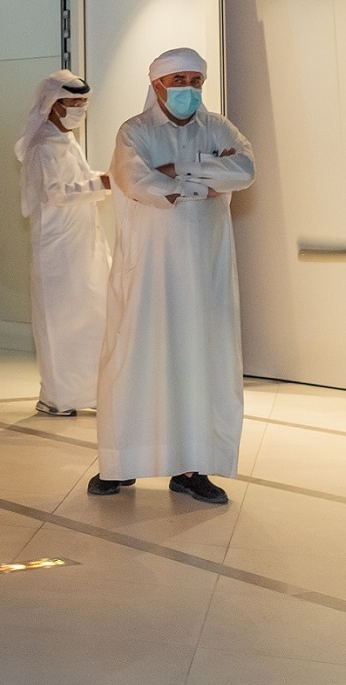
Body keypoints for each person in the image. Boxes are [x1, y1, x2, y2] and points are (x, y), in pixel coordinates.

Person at [90, 48, 254, 506]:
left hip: (206, 273)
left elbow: (244, 170)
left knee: (200, 366)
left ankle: (192, 468)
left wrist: (178, 173)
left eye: (196, 80)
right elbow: (138, 181)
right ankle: (121, 465)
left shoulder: (219, 127)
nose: (188, 89)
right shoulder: (134, 131)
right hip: (148, 272)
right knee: (136, 362)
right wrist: (206, 176)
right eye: (178, 79)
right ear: (157, 84)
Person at [15, 70, 110, 417]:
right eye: (73, 103)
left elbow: (79, 182)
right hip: (57, 252)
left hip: (81, 245)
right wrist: (104, 183)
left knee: (89, 319)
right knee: (60, 325)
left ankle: (89, 392)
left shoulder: (66, 141)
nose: (79, 109)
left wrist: (102, 180)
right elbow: (56, 194)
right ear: (53, 106)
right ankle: (56, 397)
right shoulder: (42, 147)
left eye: (83, 103)